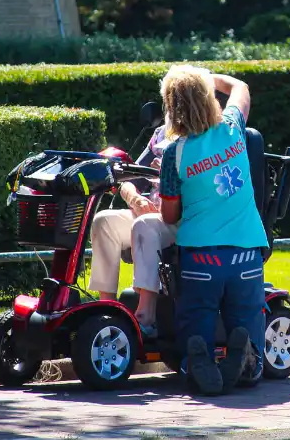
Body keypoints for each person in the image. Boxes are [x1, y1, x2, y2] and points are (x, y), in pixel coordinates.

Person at [158, 65, 266, 396]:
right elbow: (241, 88)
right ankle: (248, 358)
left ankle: (197, 357)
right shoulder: (233, 129)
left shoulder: (174, 153)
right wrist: (210, 77)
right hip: (246, 253)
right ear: (209, 99)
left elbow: (168, 213)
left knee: (196, 316)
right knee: (247, 316)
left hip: (200, 258)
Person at [88, 127, 178, 339]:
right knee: (103, 221)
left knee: (145, 224)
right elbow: (128, 179)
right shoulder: (160, 134)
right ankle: (106, 310)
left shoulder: (200, 133)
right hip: (152, 214)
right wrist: (135, 199)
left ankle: (145, 317)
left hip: (180, 218)